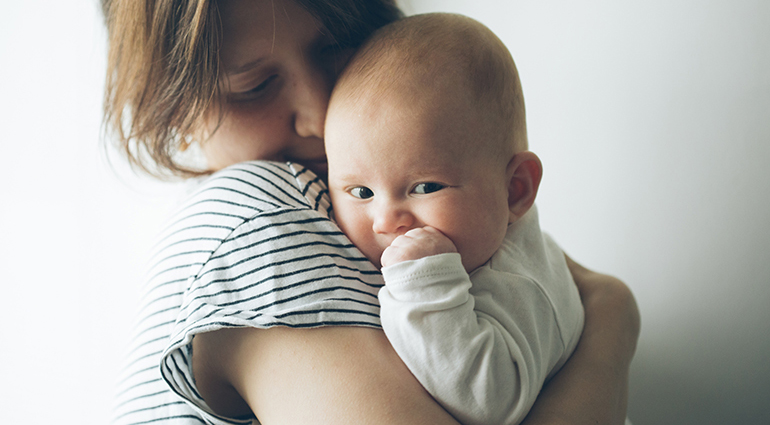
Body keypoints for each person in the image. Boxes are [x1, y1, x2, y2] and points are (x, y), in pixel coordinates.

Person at [102, 1, 640, 424]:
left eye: (335, 47)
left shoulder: (372, 192)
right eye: (254, 86)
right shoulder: (255, 212)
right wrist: (612, 323)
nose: (319, 112)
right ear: (176, 113)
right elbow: (589, 296)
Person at [324, 12, 588, 425]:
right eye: (361, 193)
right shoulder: (488, 243)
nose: (385, 220)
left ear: (515, 189)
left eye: (426, 187)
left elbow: (490, 404)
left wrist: (425, 286)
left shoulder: (520, 284)